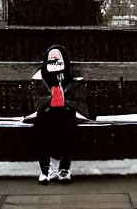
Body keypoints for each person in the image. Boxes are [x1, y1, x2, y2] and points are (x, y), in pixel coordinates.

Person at [32, 45, 89, 185]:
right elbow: (36, 98)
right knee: (40, 122)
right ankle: (45, 168)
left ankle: (64, 167)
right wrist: (48, 101)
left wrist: (67, 102)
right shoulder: (42, 77)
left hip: (65, 112)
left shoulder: (69, 77)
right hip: (47, 112)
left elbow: (79, 99)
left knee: (69, 123)